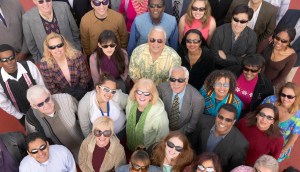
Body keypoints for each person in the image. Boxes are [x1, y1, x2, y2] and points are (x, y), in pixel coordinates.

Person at [25, 85, 84, 161]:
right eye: (40, 104)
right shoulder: (31, 118)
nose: (46, 105)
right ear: (34, 106)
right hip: (60, 155)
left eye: (47, 99)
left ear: (50, 94)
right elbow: (34, 142)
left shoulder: (67, 99)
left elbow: (83, 118)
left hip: (83, 144)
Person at [192, 104, 248, 171]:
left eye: (228, 120)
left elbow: (234, 169)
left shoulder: (240, 144)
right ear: (217, 115)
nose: (222, 122)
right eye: (220, 117)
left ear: (234, 122)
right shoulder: (203, 122)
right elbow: (192, 145)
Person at [0, 44, 44, 123]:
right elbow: (3, 102)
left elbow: (42, 86)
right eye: (4, 60)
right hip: (23, 115)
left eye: (11, 58)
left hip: (42, 107)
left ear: (16, 57)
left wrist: (43, 105)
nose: (9, 62)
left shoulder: (29, 66)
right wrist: (19, 116)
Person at [39, 33, 89, 101]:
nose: (57, 49)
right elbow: (52, 89)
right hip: (63, 98)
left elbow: (84, 76)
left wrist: (79, 93)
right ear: (48, 49)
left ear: (64, 44)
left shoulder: (77, 56)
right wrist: (67, 99)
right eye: (52, 47)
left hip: (82, 91)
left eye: (59, 45)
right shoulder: (45, 65)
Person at [158, 66, 204, 135]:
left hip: (182, 134)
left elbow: (192, 125)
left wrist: (173, 134)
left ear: (186, 81)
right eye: (173, 79)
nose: (176, 84)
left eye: (180, 80)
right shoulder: (161, 88)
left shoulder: (197, 100)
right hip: (161, 130)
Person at [78, 73, 127, 138]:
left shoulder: (117, 95)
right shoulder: (85, 103)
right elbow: (85, 128)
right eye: (106, 89)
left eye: (113, 91)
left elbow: (131, 105)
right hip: (102, 139)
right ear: (98, 88)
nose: (109, 94)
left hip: (122, 132)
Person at [126, 78, 169, 151]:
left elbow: (162, 138)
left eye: (146, 93)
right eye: (139, 92)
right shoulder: (130, 102)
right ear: (135, 92)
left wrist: (151, 152)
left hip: (146, 152)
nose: (142, 96)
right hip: (129, 146)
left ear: (151, 96)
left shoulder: (159, 114)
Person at [210, 4, 257, 69]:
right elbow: (213, 55)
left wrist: (227, 57)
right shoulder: (219, 31)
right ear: (232, 18)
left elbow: (248, 60)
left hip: (238, 70)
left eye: (242, 21)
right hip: (217, 68)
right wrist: (239, 59)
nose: (238, 24)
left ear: (247, 22)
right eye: (236, 19)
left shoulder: (252, 36)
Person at [262, 82, 300, 162]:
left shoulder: (297, 116)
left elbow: (294, 136)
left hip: (277, 146)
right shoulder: (270, 100)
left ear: (296, 98)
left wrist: (283, 150)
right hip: (261, 137)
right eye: (283, 95)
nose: (285, 99)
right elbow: (258, 113)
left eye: (290, 97)